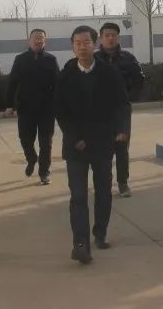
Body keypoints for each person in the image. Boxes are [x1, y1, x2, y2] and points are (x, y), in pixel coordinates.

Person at [55, 25, 131, 264]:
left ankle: (100, 232)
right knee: (78, 196)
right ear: (72, 46)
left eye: (86, 42)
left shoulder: (109, 73)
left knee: (103, 193)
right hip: (75, 147)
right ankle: (80, 244)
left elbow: (122, 104)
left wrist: (122, 129)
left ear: (95, 44)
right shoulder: (65, 75)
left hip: (102, 143)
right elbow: (60, 111)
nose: (82, 47)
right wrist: (74, 137)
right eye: (77, 43)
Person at [94, 22, 145, 197]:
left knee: (122, 147)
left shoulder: (127, 58)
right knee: (103, 149)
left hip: (121, 111)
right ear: (100, 38)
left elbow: (139, 80)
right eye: (106, 35)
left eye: (113, 35)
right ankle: (105, 184)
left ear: (118, 37)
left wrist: (128, 97)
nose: (110, 38)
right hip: (100, 112)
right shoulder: (94, 59)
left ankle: (123, 183)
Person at [5, 28, 60, 185]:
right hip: (26, 108)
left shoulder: (51, 60)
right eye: (35, 37)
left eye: (41, 38)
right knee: (25, 139)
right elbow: (12, 83)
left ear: (45, 41)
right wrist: (9, 105)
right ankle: (31, 158)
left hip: (46, 110)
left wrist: (58, 105)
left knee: (45, 143)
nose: (38, 40)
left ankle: (44, 172)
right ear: (29, 40)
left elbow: (58, 84)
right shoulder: (20, 59)